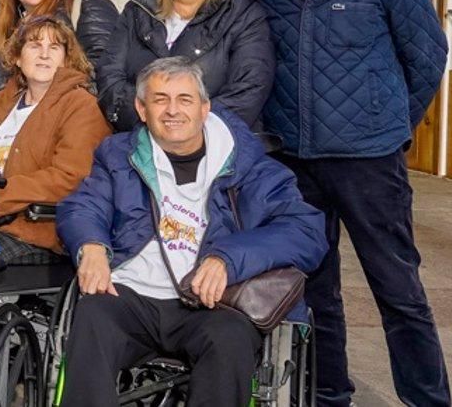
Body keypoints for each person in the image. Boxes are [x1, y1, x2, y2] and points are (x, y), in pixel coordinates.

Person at [244, 0, 451, 407]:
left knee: (398, 290)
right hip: (293, 161)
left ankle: (427, 398)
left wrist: (389, 126)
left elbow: (426, 59)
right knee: (315, 291)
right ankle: (329, 395)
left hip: (368, 163)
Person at [55, 57, 328, 407]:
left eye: (184, 99)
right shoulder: (118, 155)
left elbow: (306, 230)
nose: (172, 111)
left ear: (204, 108)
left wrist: (228, 258)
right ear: (141, 108)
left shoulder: (248, 165)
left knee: (229, 338)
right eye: (159, 99)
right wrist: (91, 245)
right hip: (132, 294)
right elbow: (83, 205)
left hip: (214, 303)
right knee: (91, 315)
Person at [96, 0, 274, 132]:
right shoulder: (137, 11)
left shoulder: (244, 15)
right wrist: (154, 127)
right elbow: (109, 77)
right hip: (139, 141)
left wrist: (184, 134)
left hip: (216, 150)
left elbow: (248, 91)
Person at [0, 16, 111, 263]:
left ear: (67, 60)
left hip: (28, 230)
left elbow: (69, 179)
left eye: (54, 48)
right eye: (34, 46)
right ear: (18, 58)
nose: (44, 55)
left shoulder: (81, 106)